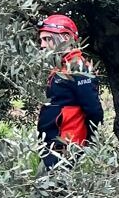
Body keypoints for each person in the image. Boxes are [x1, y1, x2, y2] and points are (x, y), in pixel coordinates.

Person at [36, 13, 103, 169]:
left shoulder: (78, 68)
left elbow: (94, 110)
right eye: (41, 40)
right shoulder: (61, 67)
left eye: (47, 39)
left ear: (66, 38)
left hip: (67, 144)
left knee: (58, 189)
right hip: (53, 142)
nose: (42, 45)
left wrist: (89, 141)